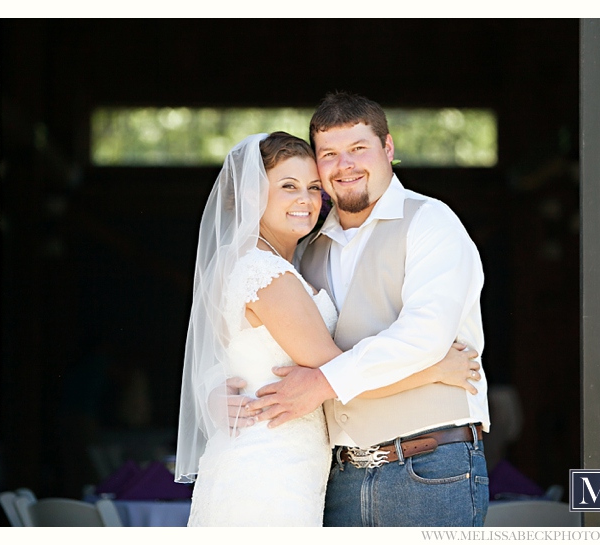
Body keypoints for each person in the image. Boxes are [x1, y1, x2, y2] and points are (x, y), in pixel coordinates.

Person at [175, 131, 482, 526]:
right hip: (271, 468)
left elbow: (220, 355)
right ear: (252, 194)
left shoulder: (263, 261)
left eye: (314, 187)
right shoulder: (265, 274)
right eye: (288, 186)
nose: (306, 199)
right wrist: (434, 371)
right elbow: (334, 372)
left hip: (279, 461)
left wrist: (215, 389)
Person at [246, 92, 490, 527]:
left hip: (427, 467)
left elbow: (424, 338)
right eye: (330, 155)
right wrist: (228, 393)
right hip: (338, 480)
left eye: (358, 149)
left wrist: (323, 382)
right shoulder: (306, 251)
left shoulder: (431, 221)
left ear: (388, 149)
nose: (346, 165)